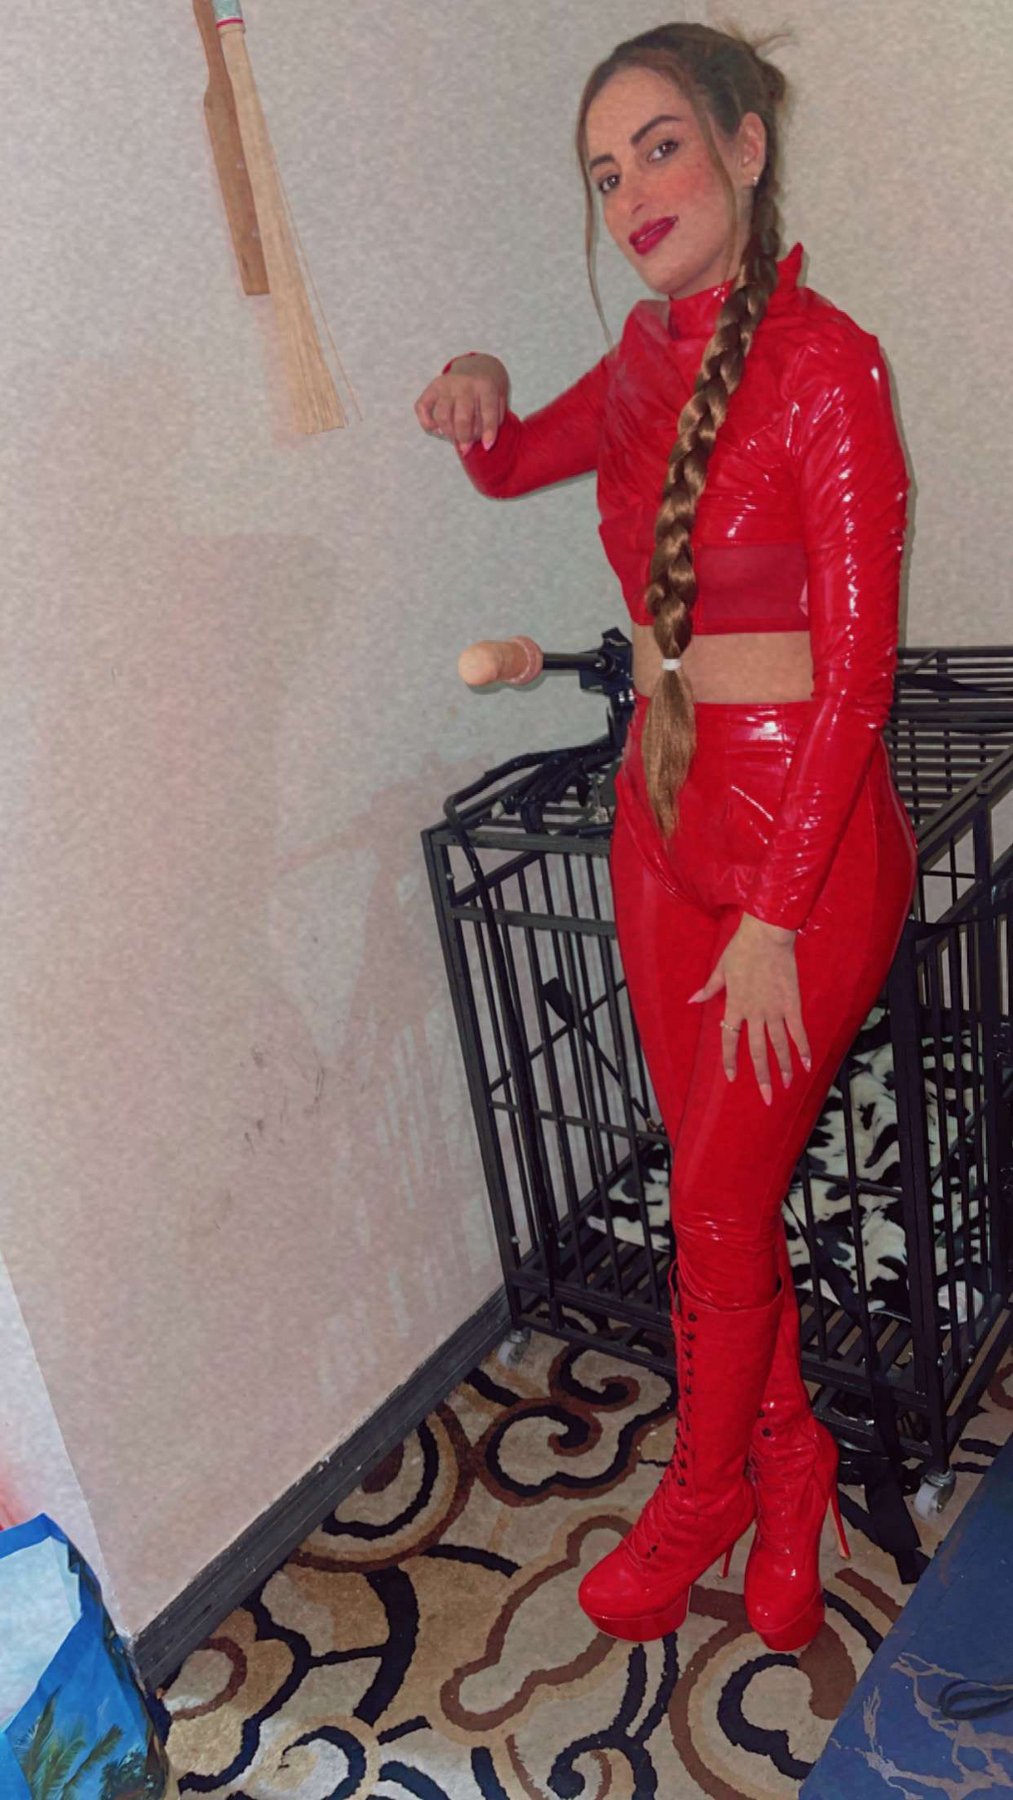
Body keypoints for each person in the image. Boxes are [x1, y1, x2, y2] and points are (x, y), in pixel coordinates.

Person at [414, 21, 918, 1655]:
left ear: (743, 150)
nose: (630, 190)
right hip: (660, 813)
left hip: (804, 855)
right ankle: (787, 1461)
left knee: (707, 1201)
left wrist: (777, 911)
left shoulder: (830, 367)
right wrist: (480, 388)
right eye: (601, 170)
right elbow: (508, 465)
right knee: (720, 1195)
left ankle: (703, 1490)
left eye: (658, 147)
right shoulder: (640, 364)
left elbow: (858, 678)